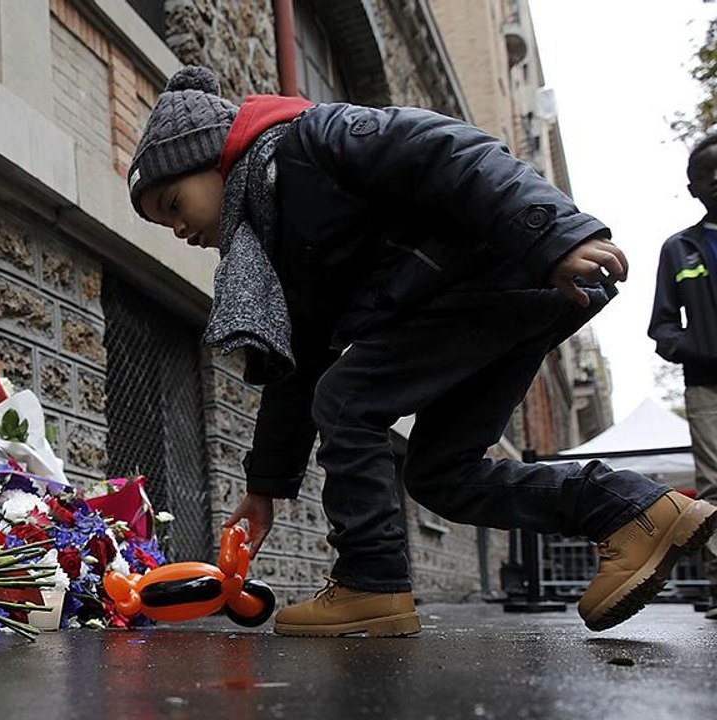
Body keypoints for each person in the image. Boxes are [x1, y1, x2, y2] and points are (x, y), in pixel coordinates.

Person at [127, 66, 717, 637]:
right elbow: (299, 362)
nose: (178, 229)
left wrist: (555, 234)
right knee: (441, 475)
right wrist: (265, 486)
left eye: (174, 205)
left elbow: (449, 150)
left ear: (214, 159)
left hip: (503, 269)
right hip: (484, 295)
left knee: (348, 397)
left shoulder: (314, 143)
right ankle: (633, 513)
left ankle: (370, 581)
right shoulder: (270, 240)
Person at [648, 134, 717, 620]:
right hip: (707, 386)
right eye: (705, 173)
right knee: (714, 485)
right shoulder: (680, 248)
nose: (716, 179)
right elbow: (662, 326)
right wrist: (699, 350)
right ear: (692, 188)